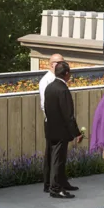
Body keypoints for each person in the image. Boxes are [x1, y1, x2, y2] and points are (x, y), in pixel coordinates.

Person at [37, 55, 76, 193]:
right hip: (53, 122)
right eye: (58, 63)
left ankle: (61, 181)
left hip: (56, 123)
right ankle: (51, 184)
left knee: (59, 156)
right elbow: (45, 105)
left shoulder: (57, 82)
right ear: (51, 64)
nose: (61, 65)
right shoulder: (46, 81)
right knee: (53, 156)